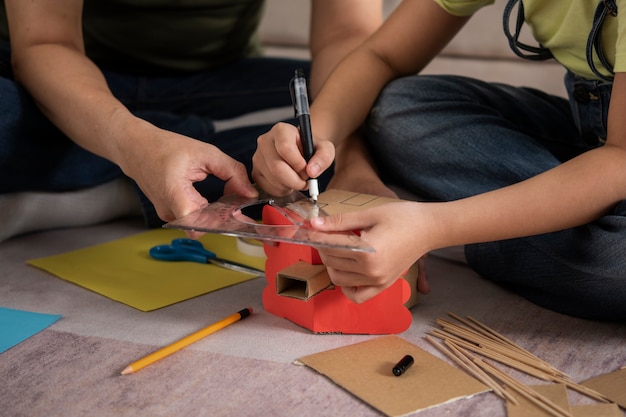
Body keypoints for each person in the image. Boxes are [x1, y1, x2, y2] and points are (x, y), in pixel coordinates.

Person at [252, 0, 626, 321]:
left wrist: (433, 227)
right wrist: (312, 136)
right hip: (588, 131)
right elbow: (381, 56)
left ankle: (460, 225)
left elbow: (619, 159)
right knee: (393, 108)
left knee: (609, 266)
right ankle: (545, 215)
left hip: (619, 154)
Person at [0, 0, 382, 241]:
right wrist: (135, 143)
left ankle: (107, 185)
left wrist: (351, 162)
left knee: (387, 110)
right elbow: (45, 43)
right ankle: (158, 164)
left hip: (219, 81)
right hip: (57, 78)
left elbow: (348, 38)